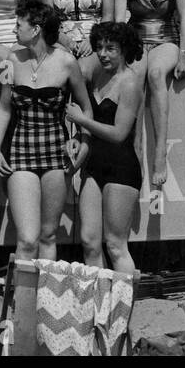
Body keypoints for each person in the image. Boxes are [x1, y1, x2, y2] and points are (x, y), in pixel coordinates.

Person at [0, 1, 91, 262]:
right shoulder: (12, 60)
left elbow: (85, 109)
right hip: (20, 150)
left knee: (48, 235)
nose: (14, 31)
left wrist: (80, 139)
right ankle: (24, 303)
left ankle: (46, 302)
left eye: (18, 25)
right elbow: (4, 108)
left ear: (35, 29)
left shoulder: (67, 63)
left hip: (56, 153)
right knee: (26, 239)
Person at [115, 0, 185, 190]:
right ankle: (135, 155)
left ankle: (160, 153)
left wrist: (183, 53)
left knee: (157, 74)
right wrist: (117, 51)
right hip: (135, 39)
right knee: (135, 82)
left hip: (166, 39)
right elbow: (118, 17)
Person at [67, 21, 145, 274]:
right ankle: (98, 307)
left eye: (110, 48)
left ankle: (122, 309)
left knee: (115, 245)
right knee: (90, 243)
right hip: (94, 166)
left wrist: (82, 121)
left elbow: (119, 134)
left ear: (124, 50)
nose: (102, 54)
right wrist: (79, 135)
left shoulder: (130, 83)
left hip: (122, 168)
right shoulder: (97, 75)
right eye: (99, 47)